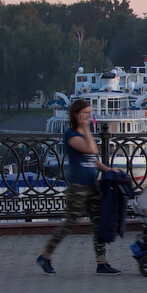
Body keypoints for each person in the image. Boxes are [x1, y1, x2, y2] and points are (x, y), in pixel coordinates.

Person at [36, 99, 120, 275]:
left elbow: (93, 160)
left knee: (98, 224)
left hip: (91, 185)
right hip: (78, 187)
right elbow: (91, 150)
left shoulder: (82, 134)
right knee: (69, 224)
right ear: (76, 115)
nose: (89, 116)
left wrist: (108, 170)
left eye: (90, 113)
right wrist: (86, 128)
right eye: (86, 113)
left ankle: (101, 262)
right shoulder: (72, 134)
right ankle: (45, 256)